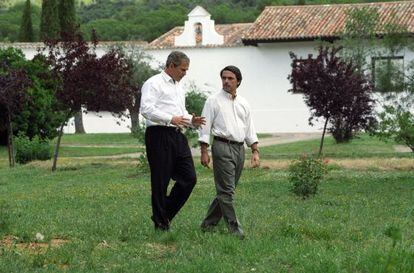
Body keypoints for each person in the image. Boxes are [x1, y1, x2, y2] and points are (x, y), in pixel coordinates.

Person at [140, 51, 205, 231]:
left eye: (186, 70)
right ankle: (161, 225)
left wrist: (191, 120)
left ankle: (163, 214)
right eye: (183, 69)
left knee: (189, 178)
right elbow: (145, 109)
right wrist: (170, 118)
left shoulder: (179, 87)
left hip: (177, 135)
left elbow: (180, 113)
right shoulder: (153, 83)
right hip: (159, 134)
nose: (185, 73)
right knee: (160, 180)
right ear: (171, 66)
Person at [199, 65, 260, 239]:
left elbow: (250, 128)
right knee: (227, 191)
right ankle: (235, 230)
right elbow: (204, 126)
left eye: (230, 78)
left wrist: (255, 150)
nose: (226, 81)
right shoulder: (213, 101)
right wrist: (204, 150)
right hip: (221, 146)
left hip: (240, 149)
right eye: (224, 78)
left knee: (226, 190)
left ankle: (208, 225)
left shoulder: (244, 103)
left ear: (238, 81)